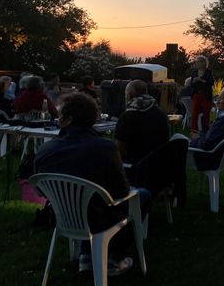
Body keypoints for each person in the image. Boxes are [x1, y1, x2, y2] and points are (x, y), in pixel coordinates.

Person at [35, 93, 148, 276]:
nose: (58, 119)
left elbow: (39, 188)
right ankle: (114, 256)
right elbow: (122, 191)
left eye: (60, 115)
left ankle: (87, 255)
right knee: (141, 195)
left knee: (100, 203)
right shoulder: (105, 148)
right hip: (99, 219)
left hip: (62, 216)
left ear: (69, 119)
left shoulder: (45, 150)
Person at [115, 80, 169, 167]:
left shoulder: (126, 117)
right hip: (159, 165)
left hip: (135, 167)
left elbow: (119, 150)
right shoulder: (161, 113)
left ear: (128, 96)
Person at [191, 88, 224, 171]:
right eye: (218, 98)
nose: (218, 101)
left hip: (208, 158)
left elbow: (207, 144)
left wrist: (196, 139)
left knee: (177, 142)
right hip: (220, 156)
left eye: (221, 99)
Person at [190, 55, 214, 136]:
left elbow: (211, 82)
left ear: (203, 63)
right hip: (197, 94)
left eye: (198, 61)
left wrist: (200, 80)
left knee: (206, 113)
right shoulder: (194, 73)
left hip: (206, 94)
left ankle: (205, 130)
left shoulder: (208, 72)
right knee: (195, 112)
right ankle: (194, 131)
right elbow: (191, 84)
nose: (196, 63)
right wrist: (194, 81)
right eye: (196, 61)